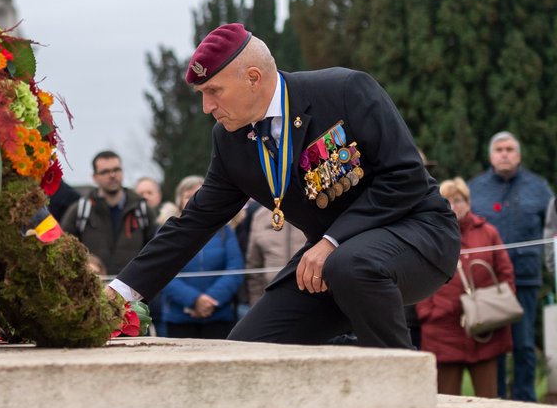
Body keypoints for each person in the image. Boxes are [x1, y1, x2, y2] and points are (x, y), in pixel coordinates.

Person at [110, 23, 460, 349]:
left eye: (213, 91)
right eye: (202, 94)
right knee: (247, 351)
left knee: (350, 264)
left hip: (418, 234)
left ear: (253, 77)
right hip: (331, 260)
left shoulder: (343, 91)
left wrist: (330, 241)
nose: (206, 107)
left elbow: (406, 177)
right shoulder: (230, 140)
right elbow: (192, 224)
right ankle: (341, 374)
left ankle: (399, 382)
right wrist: (120, 293)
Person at [468, 131, 554, 402]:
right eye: (499, 149)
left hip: (525, 279)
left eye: (510, 149)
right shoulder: (474, 189)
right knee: (494, 345)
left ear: (519, 154)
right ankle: (497, 399)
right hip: (488, 283)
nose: (504, 154)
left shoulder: (538, 187)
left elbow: (552, 229)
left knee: (524, 344)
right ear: (491, 156)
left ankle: (526, 400)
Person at [416, 178, 513, 398]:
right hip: (443, 329)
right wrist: (427, 312)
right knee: (446, 401)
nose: (453, 205)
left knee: (489, 401)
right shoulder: (430, 235)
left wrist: (499, 307)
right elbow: (418, 274)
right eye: (447, 200)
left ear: (468, 203)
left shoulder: (488, 232)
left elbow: (505, 272)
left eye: (458, 200)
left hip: (485, 328)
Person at [158, 175, 243, 339]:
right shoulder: (167, 233)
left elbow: (235, 269)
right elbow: (161, 270)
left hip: (218, 316)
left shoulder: (226, 232)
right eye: (188, 196)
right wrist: (193, 300)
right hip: (179, 318)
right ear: (179, 201)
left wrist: (210, 300)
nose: (194, 200)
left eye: (199, 194)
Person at [60, 151, 155, 275]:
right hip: (94, 289)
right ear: (94, 177)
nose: (112, 175)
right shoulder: (81, 210)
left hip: (133, 288)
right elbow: (64, 248)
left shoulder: (141, 210)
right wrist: (83, 263)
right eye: (105, 172)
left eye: (116, 170)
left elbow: (155, 249)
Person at [243, 203, 307, 315]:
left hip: (312, 299)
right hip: (272, 301)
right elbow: (253, 268)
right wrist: (257, 307)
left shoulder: (314, 212)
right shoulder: (260, 216)